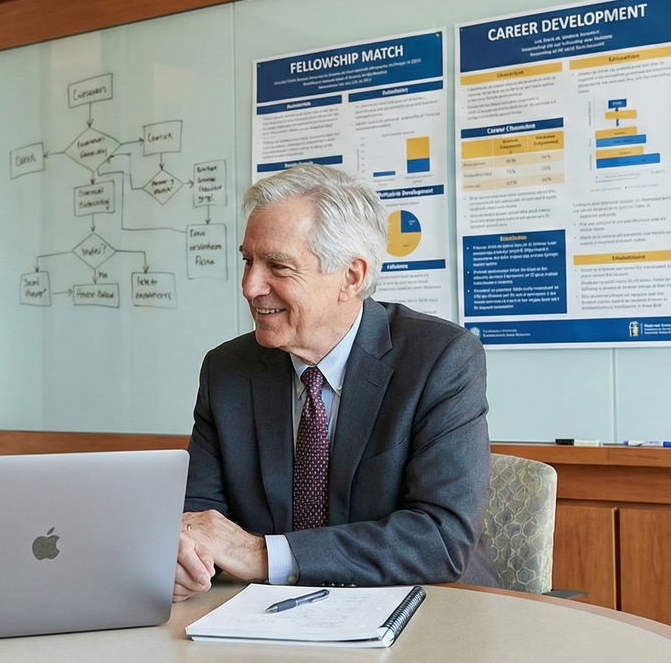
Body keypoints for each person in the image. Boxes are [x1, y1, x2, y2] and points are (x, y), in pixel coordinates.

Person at [176, 164, 492, 597]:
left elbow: (440, 538)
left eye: (278, 267)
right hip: (267, 621)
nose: (250, 286)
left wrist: (263, 554)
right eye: (249, 260)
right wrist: (185, 560)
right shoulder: (227, 370)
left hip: (425, 610)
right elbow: (198, 516)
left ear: (351, 276)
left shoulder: (439, 359)